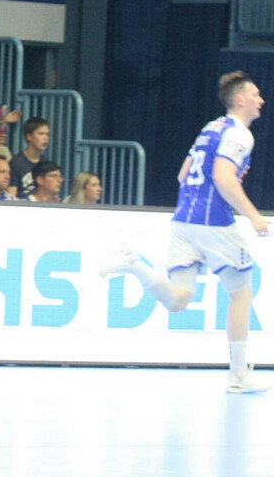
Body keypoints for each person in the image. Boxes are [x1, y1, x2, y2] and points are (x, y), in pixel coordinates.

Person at [100, 71, 270, 393]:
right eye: (256, 95)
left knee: (178, 300)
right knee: (242, 291)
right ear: (240, 99)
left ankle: (132, 263)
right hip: (213, 221)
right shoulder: (240, 134)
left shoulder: (210, 128)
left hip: (183, 220)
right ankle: (238, 376)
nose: (262, 101)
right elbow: (223, 177)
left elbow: (182, 175)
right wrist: (253, 216)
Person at [9, 116, 49, 199]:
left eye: (47, 134)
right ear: (29, 136)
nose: (46, 138)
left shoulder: (45, 162)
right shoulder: (16, 162)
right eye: (41, 134)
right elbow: (11, 197)